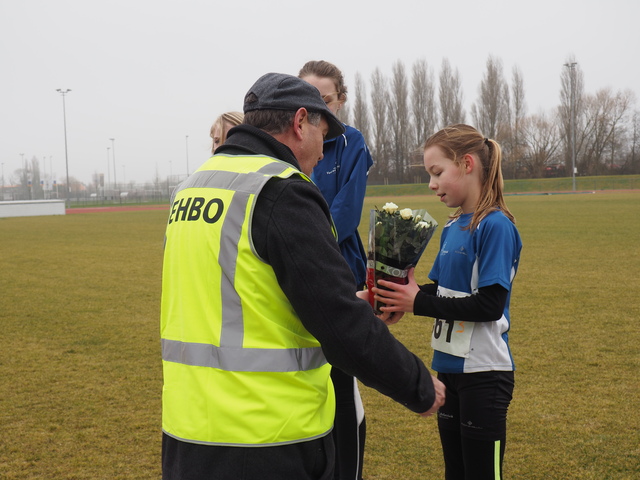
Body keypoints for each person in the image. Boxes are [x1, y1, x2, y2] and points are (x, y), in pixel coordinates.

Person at [160, 72, 445, 480]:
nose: (323, 152)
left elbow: (238, 295)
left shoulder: (191, 188)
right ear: (299, 123)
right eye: (322, 135)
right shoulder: (281, 190)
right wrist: (418, 385)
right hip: (267, 439)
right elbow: (340, 324)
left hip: (188, 434)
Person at [373, 124, 522, 480]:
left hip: (485, 373)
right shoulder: (453, 226)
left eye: (437, 172)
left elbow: (489, 305)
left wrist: (417, 303)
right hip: (449, 370)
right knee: (455, 472)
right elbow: (437, 292)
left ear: (467, 164)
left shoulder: (495, 226)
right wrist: (396, 297)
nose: (431, 183)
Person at [299, 60, 373, 480]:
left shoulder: (353, 143)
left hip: (338, 269)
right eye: (308, 98)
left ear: (340, 100)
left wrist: (301, 240)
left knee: (341, 379)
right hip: (294, 268)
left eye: (324, 99)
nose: (316, 107)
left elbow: (346, 214)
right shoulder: (290, 140)